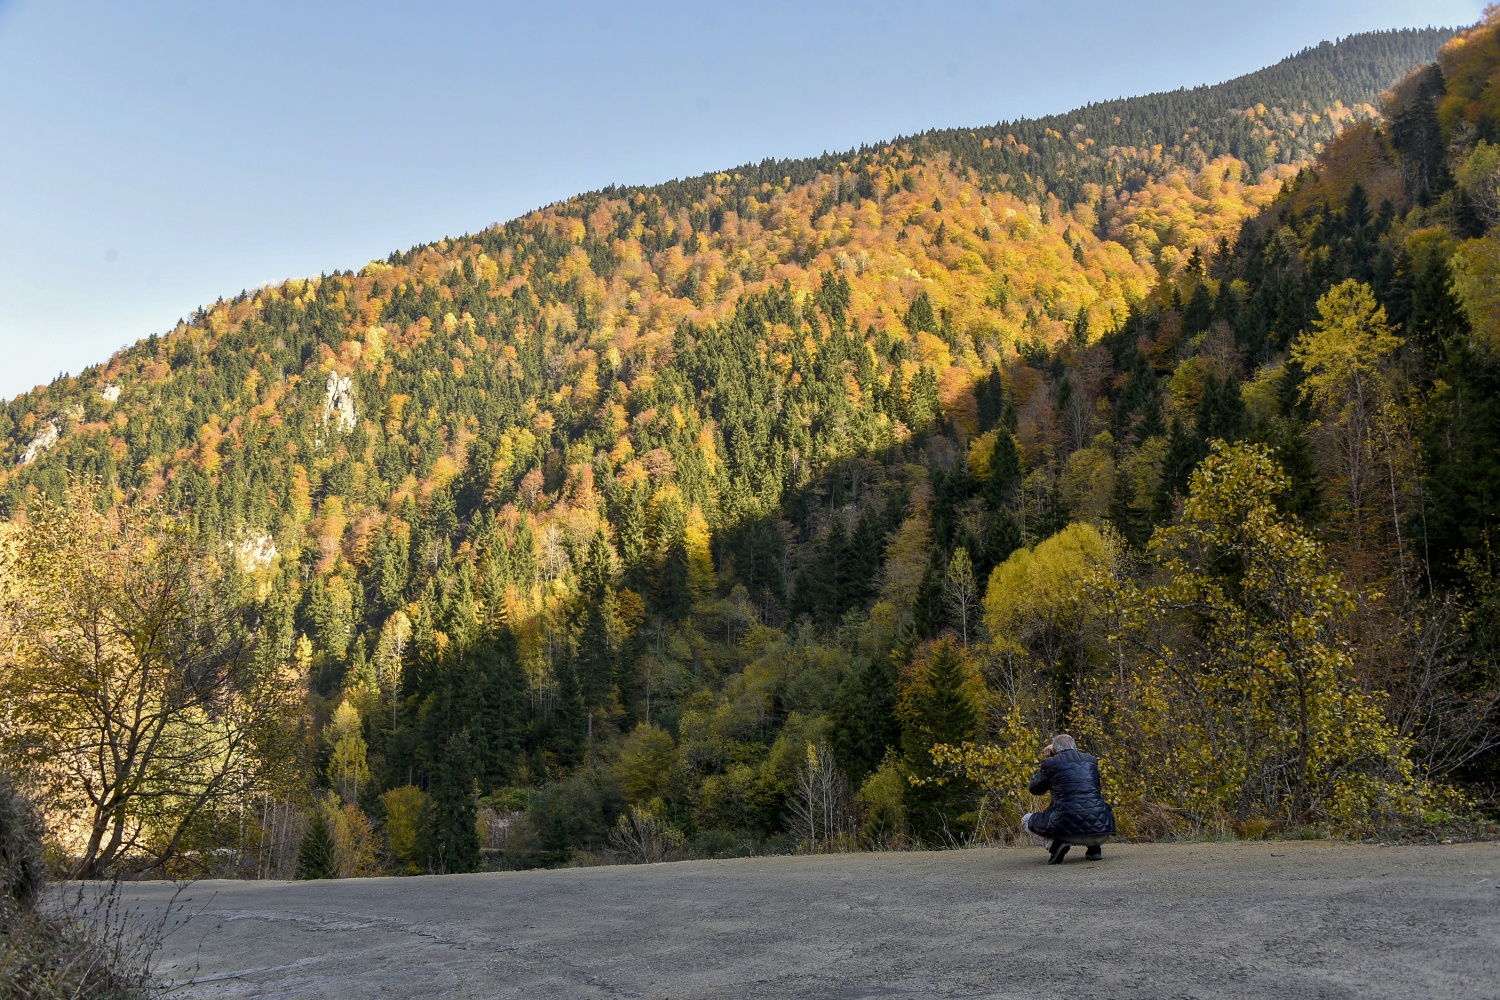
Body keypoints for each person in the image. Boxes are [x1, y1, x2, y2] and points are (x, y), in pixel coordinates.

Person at [1021, 733, 1115, 864]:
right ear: (1075, 747)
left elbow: (1035, 789)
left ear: (1054, 750)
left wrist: (1048, 759)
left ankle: (1055, 845)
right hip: (1102, 831)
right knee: (1091, 804)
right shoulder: (1091, 760)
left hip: (1068, 834)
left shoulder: (1050, 763)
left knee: (1026, 820)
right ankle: (1094, 849)